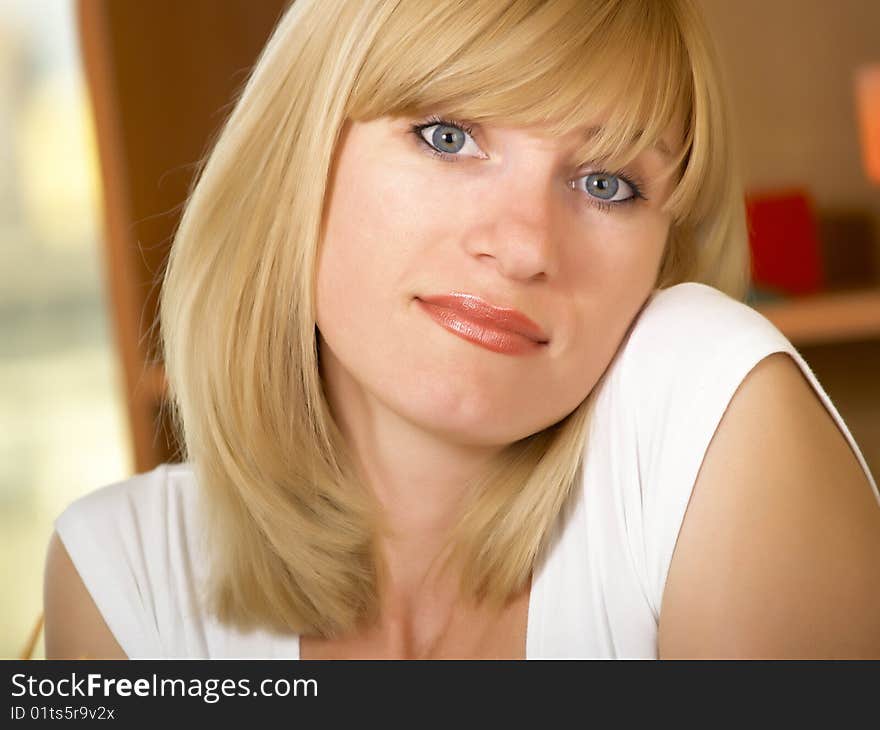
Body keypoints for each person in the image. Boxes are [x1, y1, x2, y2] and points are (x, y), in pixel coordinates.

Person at [44, 0, 880, 660]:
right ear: (296, 157)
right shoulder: (125, 572)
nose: (522, 247)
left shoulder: (708, 409)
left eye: (607, 183)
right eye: (448, 137)